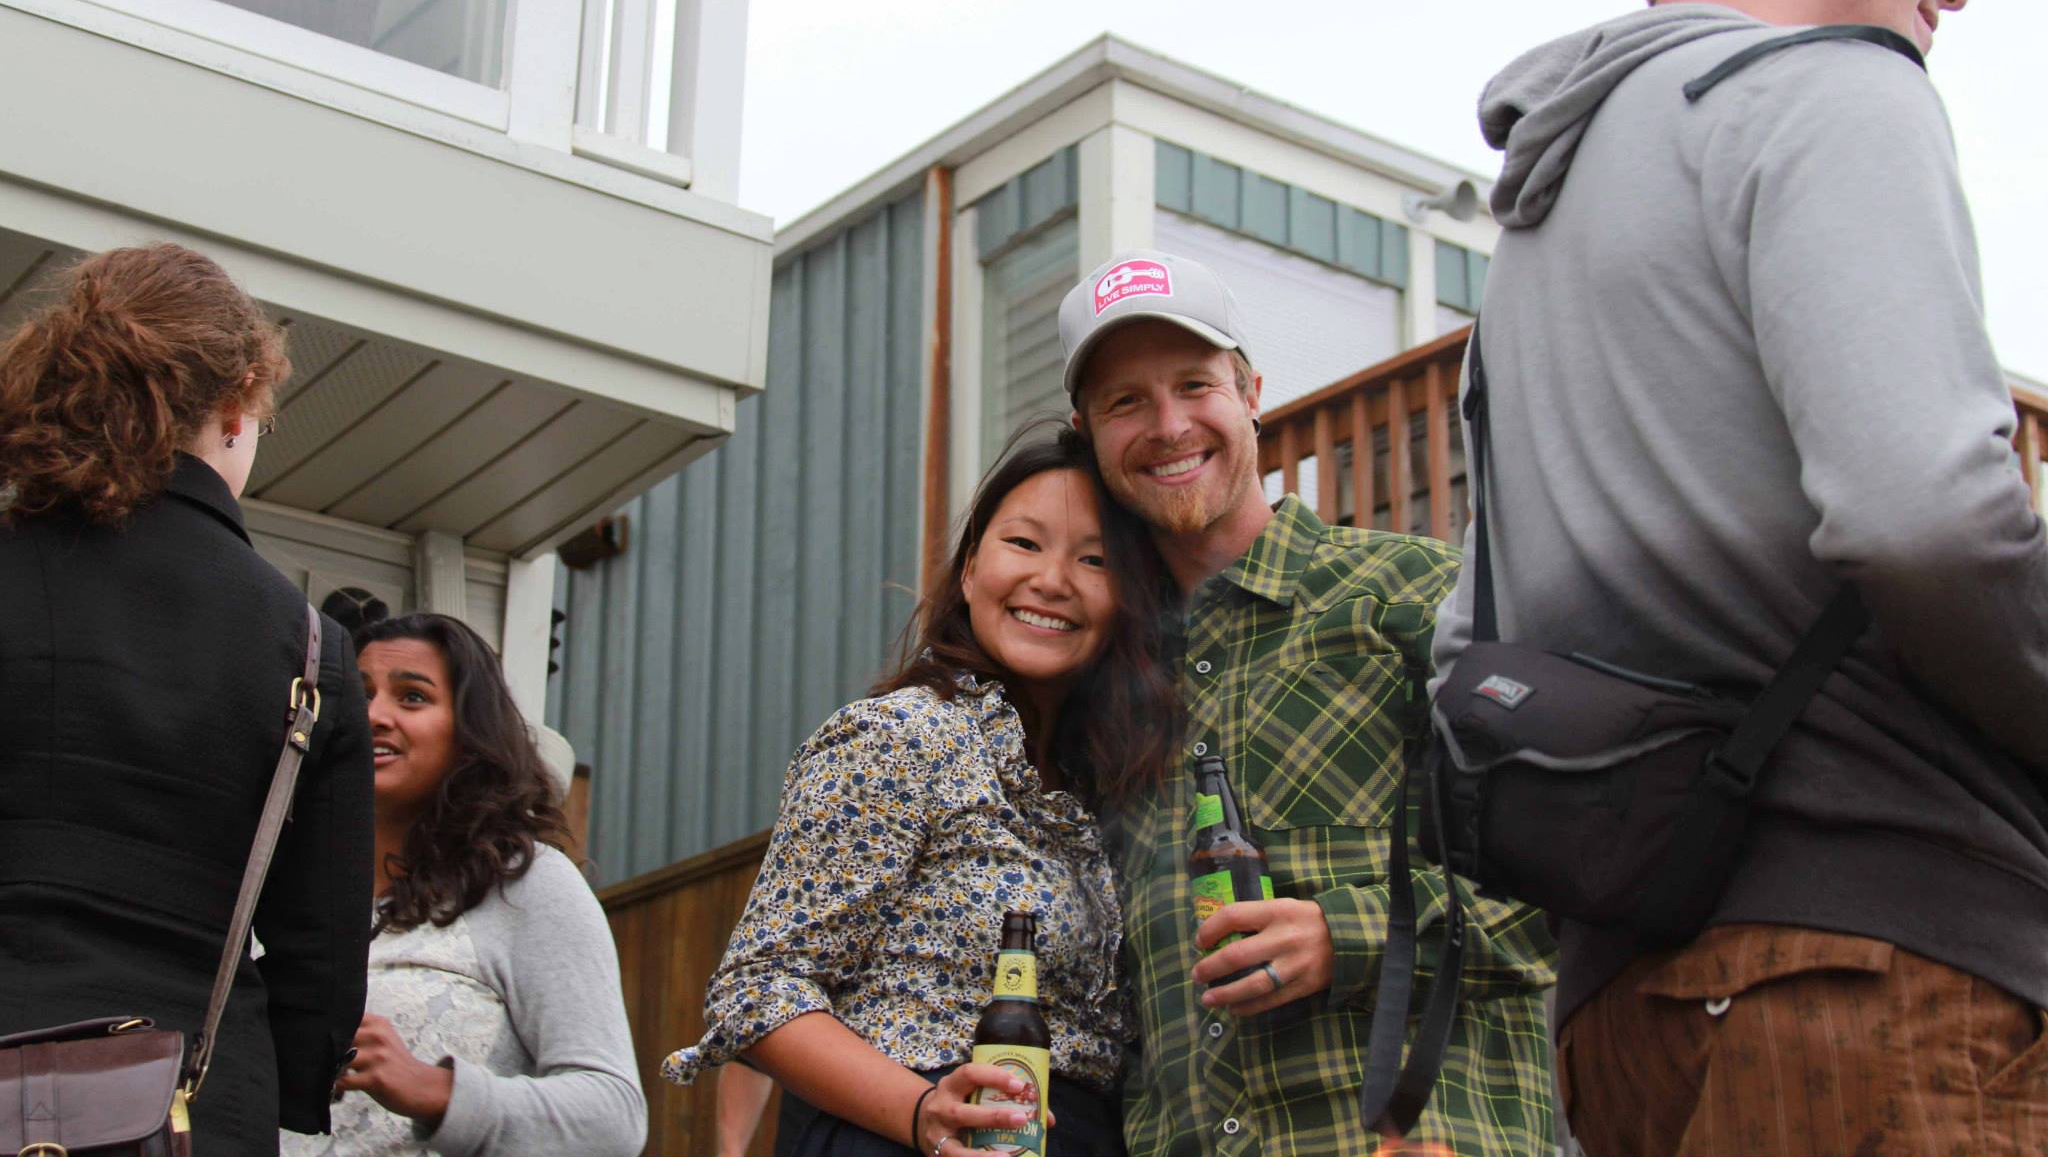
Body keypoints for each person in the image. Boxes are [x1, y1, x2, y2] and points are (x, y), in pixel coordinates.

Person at [1429, 0, 2048, 1152]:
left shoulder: (1534, 238)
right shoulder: (1832, 92)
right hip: (1877, 970)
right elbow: (1926, 514)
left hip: (1622, 1015)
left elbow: (1465, 641)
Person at [1056, 252, 1557, 1155]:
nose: (1168, 425)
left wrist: (1346, 934)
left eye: (1195, 384)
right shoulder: (1101, 692)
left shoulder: (1420, 594)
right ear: (1086, 434)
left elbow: (1573, 878)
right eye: (1125, 402)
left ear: (1251, 392)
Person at [664, 425, 1181, 1156]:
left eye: (1094, 560)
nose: (1053, 580)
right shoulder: (901, 735)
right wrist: (922, 1113)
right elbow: (760, 987)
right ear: (969, 572)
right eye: (1024, 543)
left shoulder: (1110, 793)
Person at [0, 242, 374, 1148]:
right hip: (190, 1106)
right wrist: (290, 1090)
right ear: (240, 400)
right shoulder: (310, 645)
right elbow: (321, 966)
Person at [282, 612, 646, 1155]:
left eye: (412, 697)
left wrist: (437, 1091)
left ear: (469, 733)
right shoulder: (279, 887)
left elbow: (614, 1120)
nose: (373, 715)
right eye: (359, 694)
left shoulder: (525, 885)